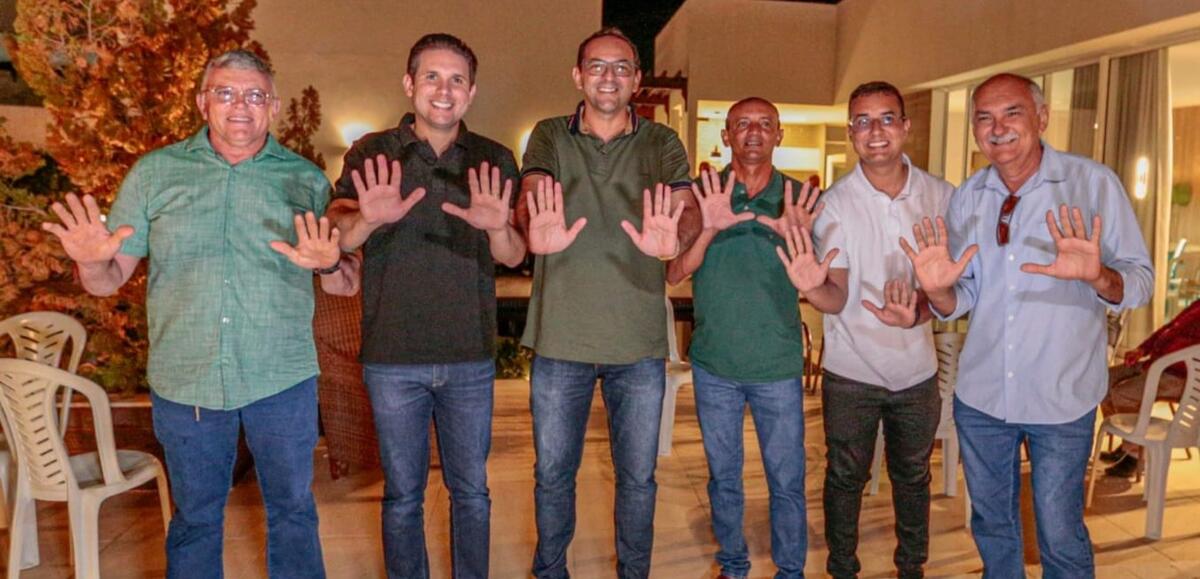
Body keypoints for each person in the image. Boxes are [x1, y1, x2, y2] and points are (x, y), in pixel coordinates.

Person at [42, 49, 359, 579]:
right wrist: (91, 262)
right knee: (195, 519)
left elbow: (345, 283)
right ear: (202, 102)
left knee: (294, 513)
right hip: (186, 379)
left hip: (281, 378)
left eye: (254, 95)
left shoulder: (306, 181)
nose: (240, 106)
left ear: (274, 106)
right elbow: (108, 279)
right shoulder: (154, 174)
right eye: (226, 93)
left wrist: (329, 264)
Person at [902, 73, 1153, 577]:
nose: (997, 128)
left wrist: (1098, 276)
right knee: (992, 527)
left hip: (1061, 395)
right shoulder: (969, 196)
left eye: (1011, 113)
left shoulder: (1091, 184)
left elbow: (1140, 282)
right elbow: (963, 294)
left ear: (1041, 118)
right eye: (984, 118)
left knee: (1059, 532)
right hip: (983, 395)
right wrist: (938, 291)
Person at [324, 33, 524, 579]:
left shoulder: (493, 158)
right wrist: (368, 219)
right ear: (409, 84)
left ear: (471, 92)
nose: (444, 89)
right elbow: (338, 235)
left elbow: (513, 254)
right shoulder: (371, 153)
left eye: (457, 79)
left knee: (472, 492)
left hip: (468, 356)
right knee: (402, 496)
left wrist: (498, 226)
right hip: (392, 357)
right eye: (432, 76)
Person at [514, 27, 692, 579]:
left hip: (636, 342)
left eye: (621, 67)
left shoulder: (662, 142)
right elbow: (532, 188)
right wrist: (529, 221)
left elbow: (686, 206)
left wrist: (678, 235)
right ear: (578, 76)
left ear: (637, 80)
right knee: (552, 476)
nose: (608, 77)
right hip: (560, 339)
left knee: (638, 479)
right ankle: (551, 571)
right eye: (596, 66)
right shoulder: (549, 133)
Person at [808, 81, 954, 579]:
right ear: (851, 132)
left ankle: (911, 569)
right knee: (844, 477)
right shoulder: (834, 203)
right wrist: (811, 287)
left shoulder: (941, 196)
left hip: (916, 372)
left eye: (887, 118)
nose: (875, 131)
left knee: (913, 477)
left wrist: (919, 311)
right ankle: (842, 569)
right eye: (863, 121)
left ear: (905, 126)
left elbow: (953, 289)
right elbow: (836, 294)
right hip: (851, 371)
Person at [667, 97, 816, 579]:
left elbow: (818, 279)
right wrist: (708, 227)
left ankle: (790, 571)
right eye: (742, 124)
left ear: (779, 135)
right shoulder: (701, 193)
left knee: (787, 481)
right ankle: (733, 565)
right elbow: (675, 272)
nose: (754, 131)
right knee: (724, 479)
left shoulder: (800, 199)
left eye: (765, 124)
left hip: (778, 364)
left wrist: (801, 241)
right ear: (726, 135)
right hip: (716, 365)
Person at [1100, 300, 1200, 477]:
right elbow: (1169, 329)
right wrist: (1142, 350)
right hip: (1158, 365)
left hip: (1182, 376)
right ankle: (1128, 442)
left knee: (1124, 393)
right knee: (1103, 381)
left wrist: (1162, 363)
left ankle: (1135, 455)